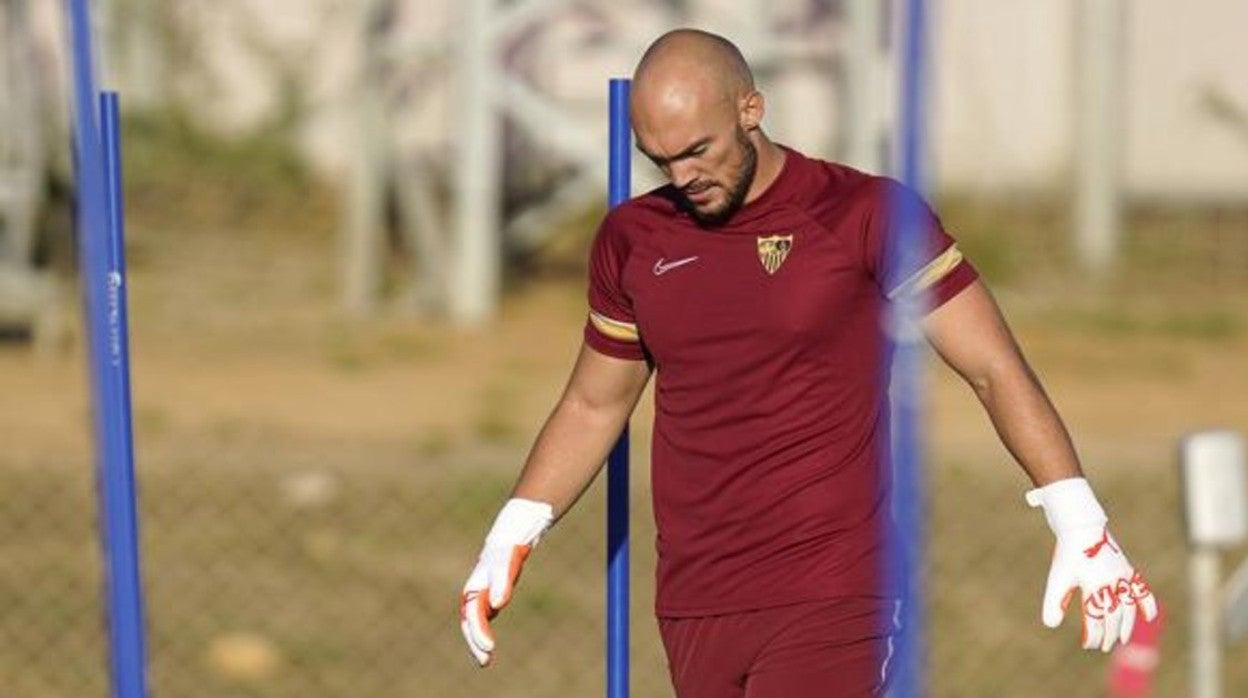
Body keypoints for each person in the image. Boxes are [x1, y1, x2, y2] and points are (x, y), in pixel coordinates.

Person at [458, 28, 1157, 697]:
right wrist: (512, 532)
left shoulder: (864, 214)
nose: (684, 175)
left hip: (832, 590)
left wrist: (1078, 519)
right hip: (695, 598)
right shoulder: (633, 239)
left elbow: (993, 368)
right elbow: (594, 403)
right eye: (660, 159)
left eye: (699, 150)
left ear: (750, 109)